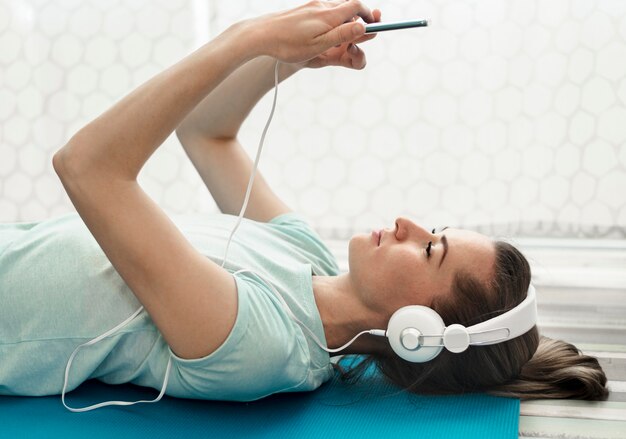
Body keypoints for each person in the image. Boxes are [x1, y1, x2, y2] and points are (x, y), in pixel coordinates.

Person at [0, 0, 608, 404]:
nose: (406, 223)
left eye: (430, 250)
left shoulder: (263, 344)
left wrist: (244, 40)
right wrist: (284, 61)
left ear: (417, 332)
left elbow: (88, 168)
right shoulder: (305, 254)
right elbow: (207, 134)